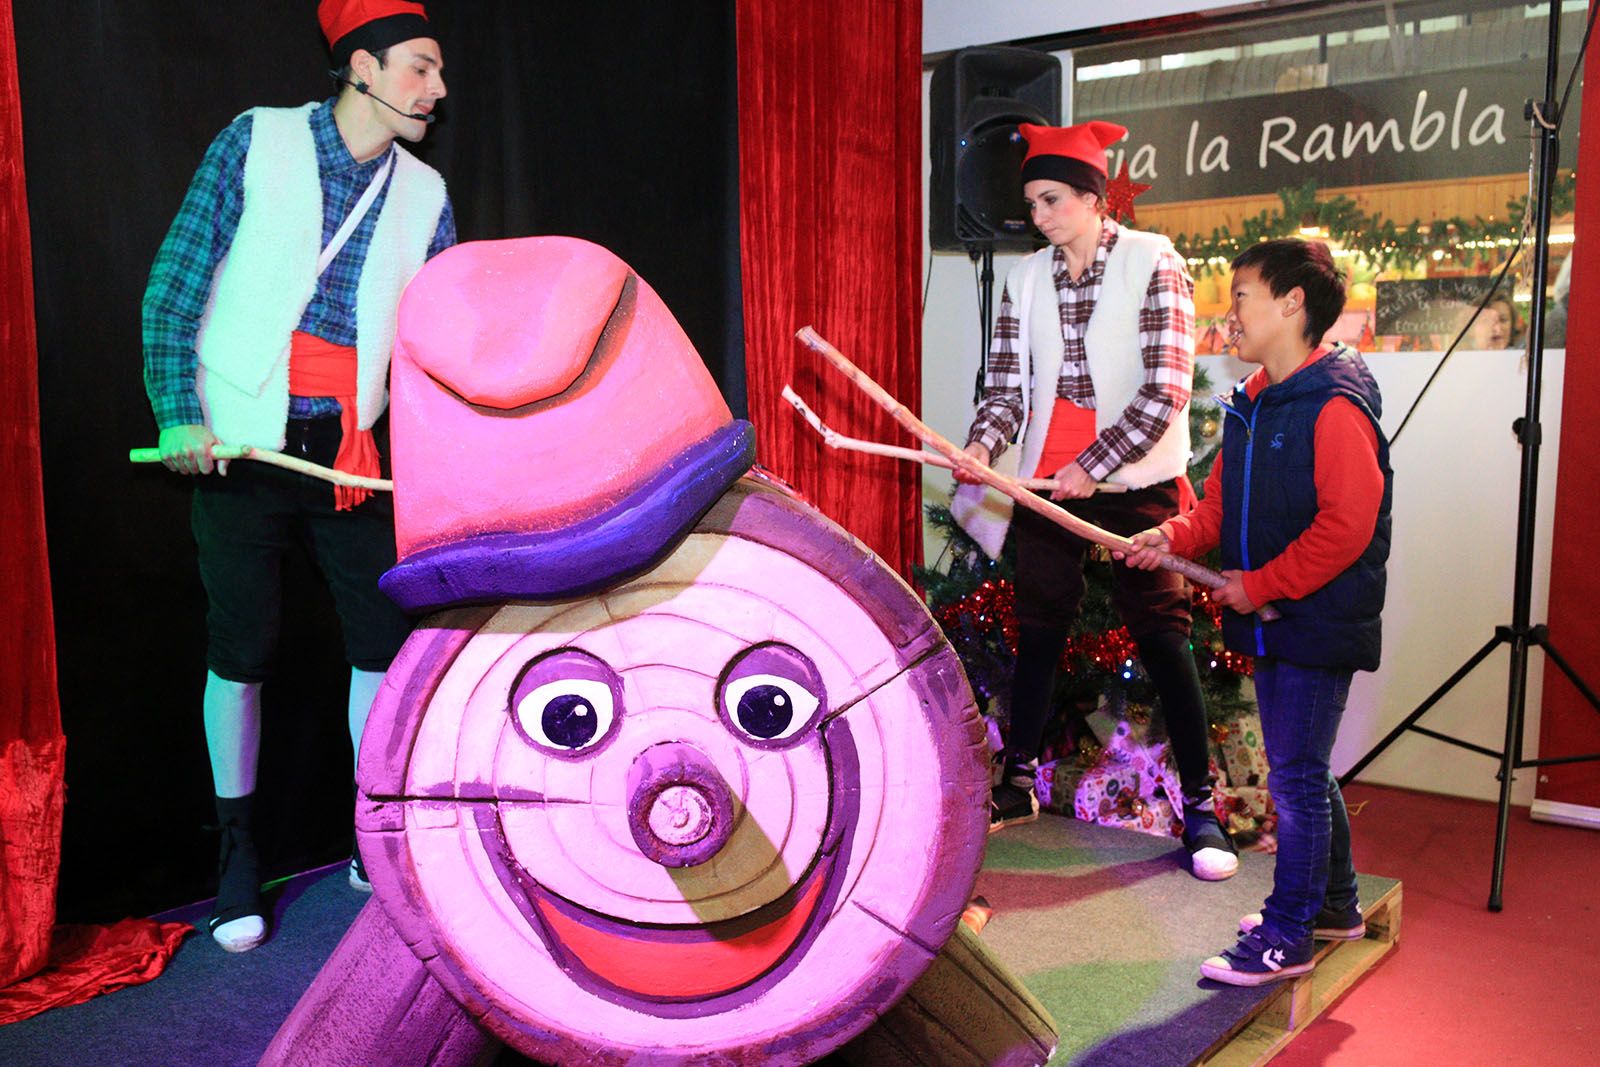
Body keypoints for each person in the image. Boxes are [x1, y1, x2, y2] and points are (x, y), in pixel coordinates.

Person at [141, 0, 454, 953]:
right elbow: (175, 287)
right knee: (242, 648)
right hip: (240, 441)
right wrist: (179, 412)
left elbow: (435, 343)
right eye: (419, 66)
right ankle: (237, 853)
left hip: (350, 450)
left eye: (438, 72)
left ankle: (376, 830)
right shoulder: (257, 140)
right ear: (362, 67)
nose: (437, 89)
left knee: (383, 646)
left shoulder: (427, 194)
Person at [954, 120, 1237, 881]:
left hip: (1136, 480)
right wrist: (981, 447)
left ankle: (1201, 805)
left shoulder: (1153, 260)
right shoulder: (1024, 279)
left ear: (1092, 198)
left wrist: (1096, 463)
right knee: (1040, 625)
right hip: (1049, 480)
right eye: (1032, 204)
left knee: (1164, 634)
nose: (1039, 215)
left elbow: (1167, 389)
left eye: (1051, 200)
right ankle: (1018, 780)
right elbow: (1005, 390)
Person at [1118, 238, 1392, 986]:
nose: (1229, 312)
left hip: (1315, 620)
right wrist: (1169, 537)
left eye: (1241, 294)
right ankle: (1332, 904)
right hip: (1281, 618)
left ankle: (1288, 933)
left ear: (1292, 303)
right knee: (1305, 770)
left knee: (1296, 779)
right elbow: (1217, 509)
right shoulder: (1254, 402)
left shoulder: (1333, 406)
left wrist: (1262, 584)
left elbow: (1347, 527)